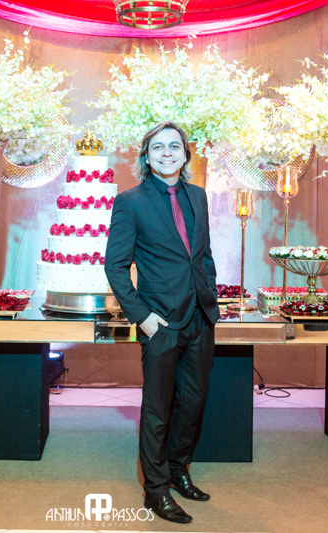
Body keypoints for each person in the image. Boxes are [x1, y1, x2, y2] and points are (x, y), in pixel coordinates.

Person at [104, 121, 220, 524]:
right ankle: (155, 491)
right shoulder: (130, 202)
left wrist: (211, 294)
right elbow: (115, 267)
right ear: (146, 156)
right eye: (158, 147)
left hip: (200, 318)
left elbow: (202, 255)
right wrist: (142, 317)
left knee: (193, 403)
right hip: (161, 323)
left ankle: (178, 470)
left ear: (185, 154)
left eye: (174, 146)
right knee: (158, 410)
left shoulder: (198, 196)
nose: (167, 153)